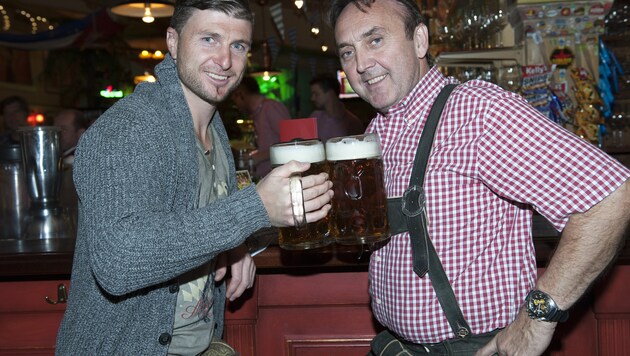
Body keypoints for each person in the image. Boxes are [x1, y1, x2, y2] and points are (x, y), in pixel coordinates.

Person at [327, 0, 630, 355]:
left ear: (420, 41)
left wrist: (538, 315)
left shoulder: (477, 112)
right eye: (347, 52)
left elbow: (611, 196)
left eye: (375, 40)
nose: (360, 65)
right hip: (397, 346)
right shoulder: (377, 131)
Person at [55, 1, 333, 355]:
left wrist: (237, 243)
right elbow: (118, 260)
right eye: (208, 39)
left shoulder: (213, 127)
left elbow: (197, 222)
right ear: (172, 42)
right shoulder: (129, 128)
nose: (225, 61)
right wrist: (250, 211)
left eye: (238, 46)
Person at [231, 75, 291, 179]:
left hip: (280, 179)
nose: (235, 105)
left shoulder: (270, 107)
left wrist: (258, 157)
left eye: (234, 99)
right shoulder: (258, 112)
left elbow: (290, 143)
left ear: (240, 94)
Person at [309, 73, 364, 142]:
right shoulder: (315, 117)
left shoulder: (352, 123)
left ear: (330, 93)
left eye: (316, 94)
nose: (312, 98)